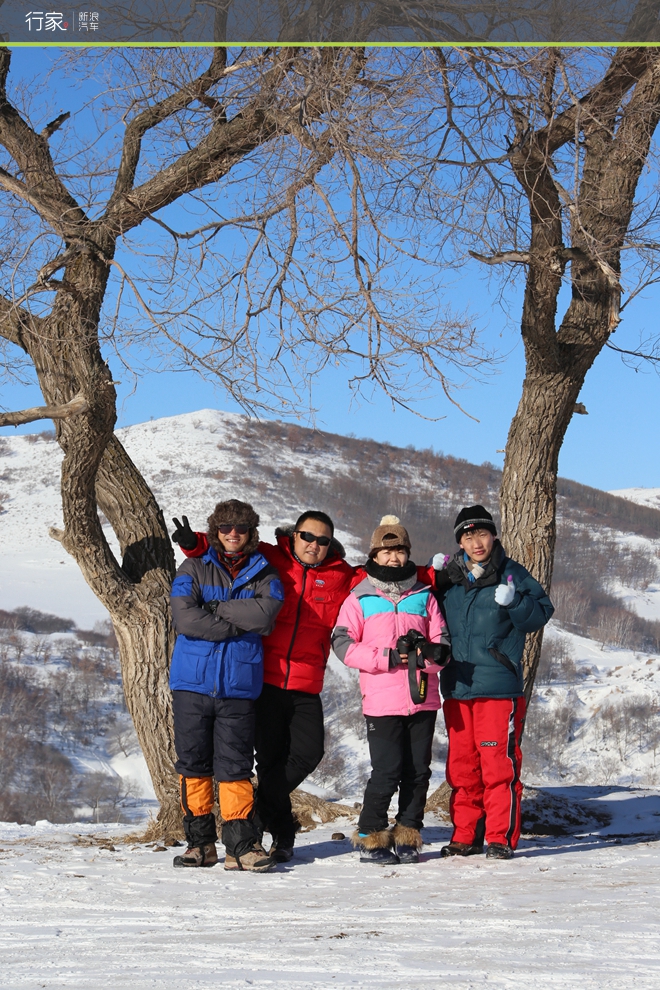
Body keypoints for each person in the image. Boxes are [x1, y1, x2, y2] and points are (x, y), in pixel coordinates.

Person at [171, 508, 356, 862]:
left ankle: (252, 810)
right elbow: (222, 549)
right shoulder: (271, 557)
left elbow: (386, 571)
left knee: (305, 754)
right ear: (293, 536)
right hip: (262, 678)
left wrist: (436, 574)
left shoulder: (339, 574)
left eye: (322, 540)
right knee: (254, 761)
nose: (313, 544)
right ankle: (270, 837)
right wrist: (195, 544)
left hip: (299, 679)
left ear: (331, 545)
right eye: (306, 536)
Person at [433, 505, 554, 860]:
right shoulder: (451, 578)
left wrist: (515, 601)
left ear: (493, 535)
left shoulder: (511, 573)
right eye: (467, 536)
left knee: (497, 766)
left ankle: (499, 838)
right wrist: (433, 576)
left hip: (498, 688)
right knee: (461, 767)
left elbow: (541, 613)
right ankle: (465, 835)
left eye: (482, 533)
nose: (476, 541)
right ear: (460, 541)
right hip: (456, 685)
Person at [169, 499, 284, 872]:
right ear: (215, 531)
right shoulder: (192, 566)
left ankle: (241, 845)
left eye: (241, 528)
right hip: (192, 684)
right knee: (193, 765)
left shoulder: (265, 572)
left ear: (252, 533)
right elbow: (186, 619)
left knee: (235, 767)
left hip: (238, 685)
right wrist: (240, 620)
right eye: (225, 528)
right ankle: (200, 844)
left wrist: (215, 609)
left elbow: (266, 615)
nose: (233, 534)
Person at [332, 515, 450, 865]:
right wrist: (386, 657)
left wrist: (425, 655)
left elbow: (442, 642)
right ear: (375, 555)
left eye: (400, 551)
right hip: (381, 699)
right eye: (387, 552)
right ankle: (371, 834)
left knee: (418, 770)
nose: (394, 558)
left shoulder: (424, 595)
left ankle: (408, 832)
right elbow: (342, 644)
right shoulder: (360, 597)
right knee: (386, 770)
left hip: (422, 697)